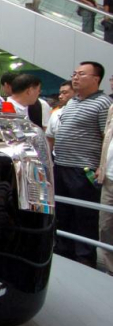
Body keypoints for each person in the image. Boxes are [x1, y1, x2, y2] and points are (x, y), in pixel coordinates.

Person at [52, 62, 112, 268]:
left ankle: (84, 257)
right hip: (61, 165)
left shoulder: (103, 104)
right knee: (63, 212)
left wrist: (100, 166)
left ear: (96, 79)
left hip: (83, 169)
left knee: (84, 216)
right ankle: (63, 250)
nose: (76, 77)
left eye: (82, 74)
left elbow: (107, 138)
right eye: (74, 74)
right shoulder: (71, 102)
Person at [97, 73, 113, 274]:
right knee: (105, 227)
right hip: (109, 177)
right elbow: (106, 140)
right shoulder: (111, 108)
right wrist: (101, 166)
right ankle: (110, 271)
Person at [45, 80, 75, 151]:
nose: (60, 96)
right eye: (60, 93)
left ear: (76, 93)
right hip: (57, 155)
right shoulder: (55, 113)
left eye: (65, 93)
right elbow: (50, 139)